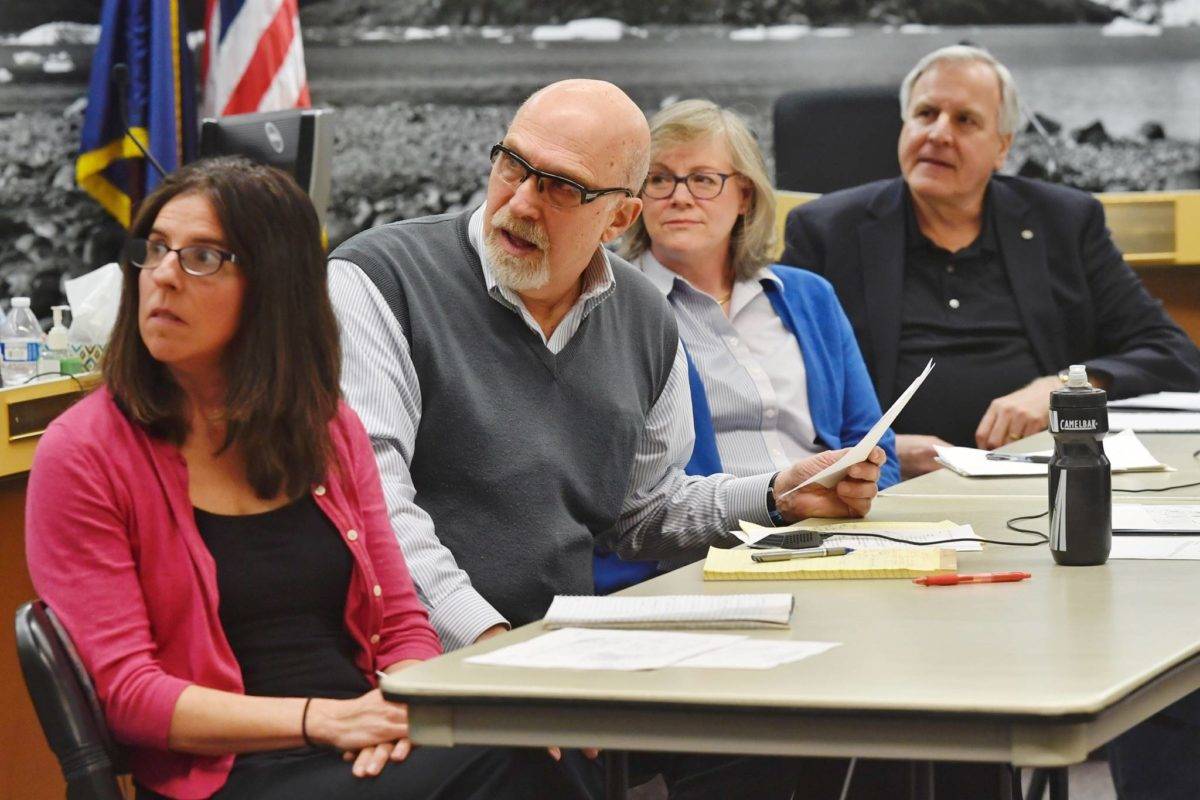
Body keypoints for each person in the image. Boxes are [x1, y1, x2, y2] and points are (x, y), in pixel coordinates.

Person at [328, 79, 885, 798]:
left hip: (565, 648)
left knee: (795, 724)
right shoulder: (377, 279)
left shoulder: (645, 318)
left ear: (621, 214)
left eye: (561, 188)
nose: (522, 201)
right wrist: (499, 654)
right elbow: (377, 507)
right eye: (513, 165)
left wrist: (781, 496)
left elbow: (644, 512)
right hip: (419, 655)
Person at [25, 157, 581, 800]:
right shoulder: (86, 451)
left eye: (202, 257)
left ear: (273, 287)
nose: (165, 278)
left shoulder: (327, 428)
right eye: (154, 251)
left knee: (534, 742)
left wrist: (406, 719)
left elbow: (402, 624)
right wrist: (328, 721)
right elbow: (127, 695)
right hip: (230, 772)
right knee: (514, 764)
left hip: (364, 741)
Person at [780, 44, 1200, 478]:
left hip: (1038, 479)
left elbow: (1173, 355)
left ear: (1002, 147)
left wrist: (1066, 387)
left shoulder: (1065, 223)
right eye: (925, 114)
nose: (939, 134)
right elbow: (782, 385)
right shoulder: (828, 231)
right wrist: (875, 449)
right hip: (885, 486)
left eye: (965, 120)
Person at [596, 98, 899, 593]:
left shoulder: (809, 296)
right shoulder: (613, 306)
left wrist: (857, 488)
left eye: (703, 179)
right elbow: (634, 496)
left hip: (834, 538)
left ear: (745, 197)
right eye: (659, 179)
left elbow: (874, 441)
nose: (679, 196)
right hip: (704, 557)